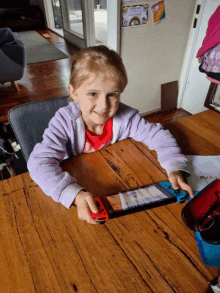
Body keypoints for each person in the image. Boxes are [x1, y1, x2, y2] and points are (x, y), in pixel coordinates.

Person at [27, 45, 194, 224]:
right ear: (74, 92)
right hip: (75, 185)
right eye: (93, 93)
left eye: (112, 95)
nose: (103, 105)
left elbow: (157, 135)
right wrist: (73, 194)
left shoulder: (126, 117)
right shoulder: (64, 121)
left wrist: (174, 166)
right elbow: (39, 163)